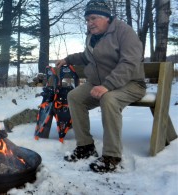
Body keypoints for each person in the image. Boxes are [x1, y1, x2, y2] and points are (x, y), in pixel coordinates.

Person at [55, 0, 146, 173]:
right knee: (75, 97)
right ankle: (85, 146)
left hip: (130, 83)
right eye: (87, 20)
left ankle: (112, 156)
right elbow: (87, 56)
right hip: (100, 83)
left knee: (109, 98)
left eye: (93, 18)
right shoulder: (93, 36)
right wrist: (68, 59)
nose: (89, 23)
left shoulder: (124, 32)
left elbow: (130, 62)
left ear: (106, 18)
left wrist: (107, 85)